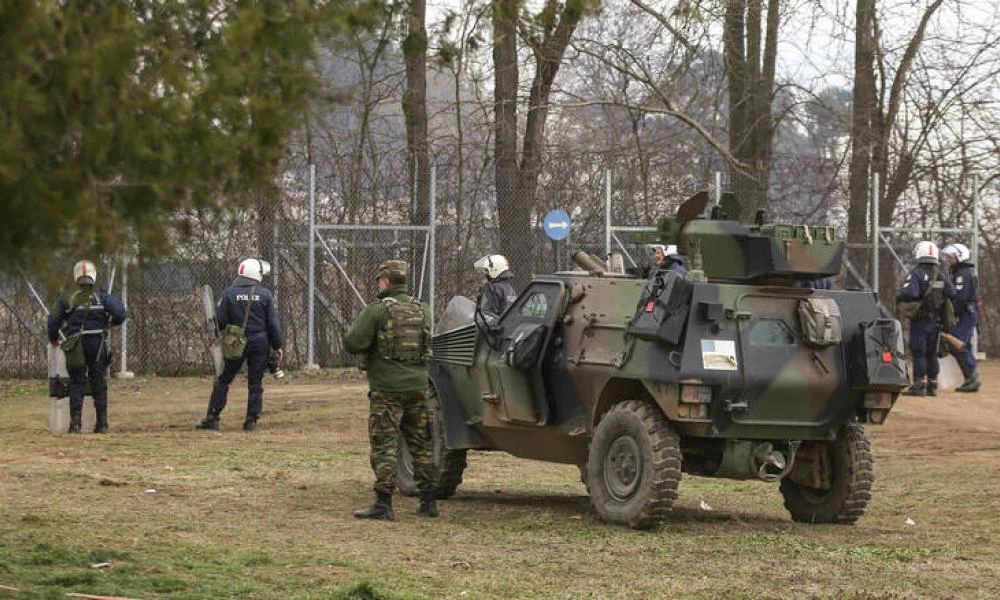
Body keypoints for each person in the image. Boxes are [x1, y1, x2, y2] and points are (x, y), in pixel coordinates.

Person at [344, 259, 438, 521]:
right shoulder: (424, 310)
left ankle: (383, 503)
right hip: (419, 387)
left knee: (385, 444)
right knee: (421, 443)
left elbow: (353, 342)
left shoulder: (376, 311)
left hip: (387, 390)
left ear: (385, 281)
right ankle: (429, 501)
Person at [196, 258, 283, 432]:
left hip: (235, 343)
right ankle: (251, 420)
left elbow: (219, 321)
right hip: (260, 342)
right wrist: (277, 345)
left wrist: (212, 335)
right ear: (256, 274)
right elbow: (273, 323)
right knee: (255, 382)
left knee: (223, 379)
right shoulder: (265, 294)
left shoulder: (228, 294)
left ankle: (213, 417)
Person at [47, 260, 127, 433]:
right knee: (99, 381)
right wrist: (113, 323)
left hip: (76, 346)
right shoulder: (102, 297)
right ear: (93, 276)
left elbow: (52, 322)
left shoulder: (67, 298)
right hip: (97, 344)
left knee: (77, 382)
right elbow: (121, 313)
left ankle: (75, 424)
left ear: (76, 277)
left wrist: (53, 339)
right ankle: (102, 424)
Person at [896, 241, 956, 397]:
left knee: (919, 352)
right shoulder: (941, 274)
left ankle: (918, 385)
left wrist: (900, 294)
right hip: (936, 321)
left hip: (920, 321)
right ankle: (932, 385)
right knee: (932, 353)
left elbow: (911, 293)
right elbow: (952, 292)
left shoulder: (916, 273)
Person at [941, 243, 981, 392]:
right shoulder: (959, 273)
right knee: (964, 345)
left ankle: (972, 377)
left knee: (955, 342)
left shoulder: (962, 274)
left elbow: (960, 298)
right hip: (966, 314)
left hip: (966, 314)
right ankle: (971, 378)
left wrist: (950, 314)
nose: (949, 260)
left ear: (959, 257)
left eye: (951, 257)